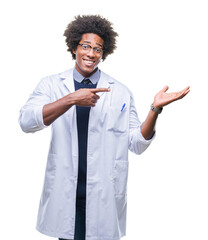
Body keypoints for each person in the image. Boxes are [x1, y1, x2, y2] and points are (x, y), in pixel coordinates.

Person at [19, 15, 190, 240]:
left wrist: (155, 109)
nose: (91, 54)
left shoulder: (120, 91)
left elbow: (137, 143)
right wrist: (70, 99)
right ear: (74, 47)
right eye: (85, 46)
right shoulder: (51, 85)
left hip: (103, 197)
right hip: (67, 194)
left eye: (97, 49)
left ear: (104, 52)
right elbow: (26, 122)